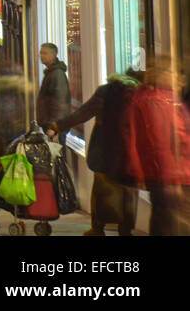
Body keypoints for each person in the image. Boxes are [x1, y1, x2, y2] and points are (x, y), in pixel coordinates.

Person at [46, 69, 140, 236]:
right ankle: (125, 229)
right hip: (128, 152)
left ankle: (98, 228)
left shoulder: (105, 92)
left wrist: (57, 126)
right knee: (128, 192)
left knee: (102, 191)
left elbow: (83, 113)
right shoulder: (138, 96)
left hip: (104, 150)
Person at [121, 57, 190, 236]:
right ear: (162, 74)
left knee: (162, 221)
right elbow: (160, 142)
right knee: (169, 224)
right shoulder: (158, 100)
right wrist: (172, 181)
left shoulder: (154, 97)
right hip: (171, 177)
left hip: (165, 175)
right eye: (174, 73)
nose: (179, 78)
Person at [36, 43, 71, 127]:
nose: (41, 56)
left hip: (55, 126)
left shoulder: (57, 74)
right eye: (41, 53)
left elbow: (60, 102)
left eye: (45, 53)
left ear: (53, 55)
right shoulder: (51, 72)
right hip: (51, 124)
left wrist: (54, 126)